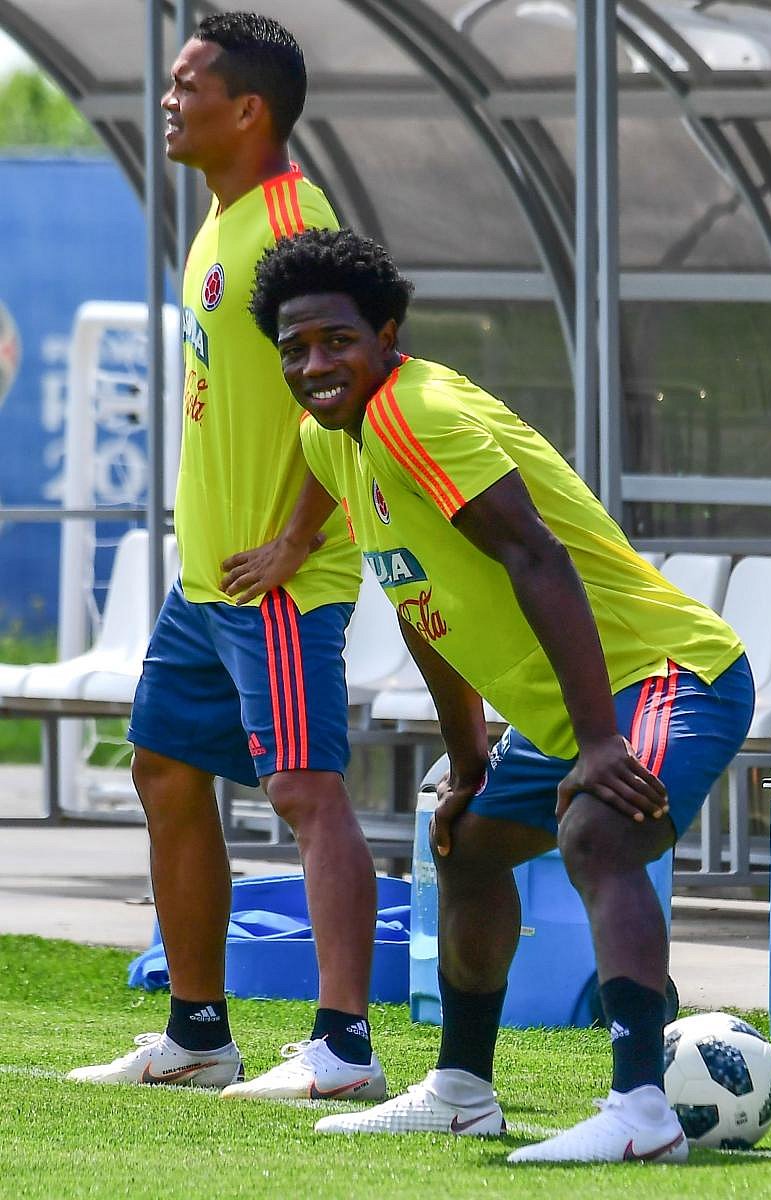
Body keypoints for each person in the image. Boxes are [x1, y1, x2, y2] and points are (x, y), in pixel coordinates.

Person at [244, 226, 755, 1162]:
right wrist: (470, 758)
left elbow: (536, 555)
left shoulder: (415, 412)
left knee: (595, 831)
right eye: (294, 349)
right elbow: (417, 602)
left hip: (670, 673)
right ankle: (460, 1092)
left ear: (387, 334)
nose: (314, 365)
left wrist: (600, 745)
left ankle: (641, 1113)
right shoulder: (334, 441)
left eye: (336, 341)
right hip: (574, 707)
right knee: (469, 849)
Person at [67, 15, 387, 1103]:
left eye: (186, 84)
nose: (168, 101)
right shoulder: (219, 222)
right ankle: (198, 1032)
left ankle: (343, 1046)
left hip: (281, 582)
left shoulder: (296, 224)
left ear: (247, 108)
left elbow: (362, 379)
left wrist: (298, 537)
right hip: (203, 581)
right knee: (161, 764)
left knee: (305, 788)